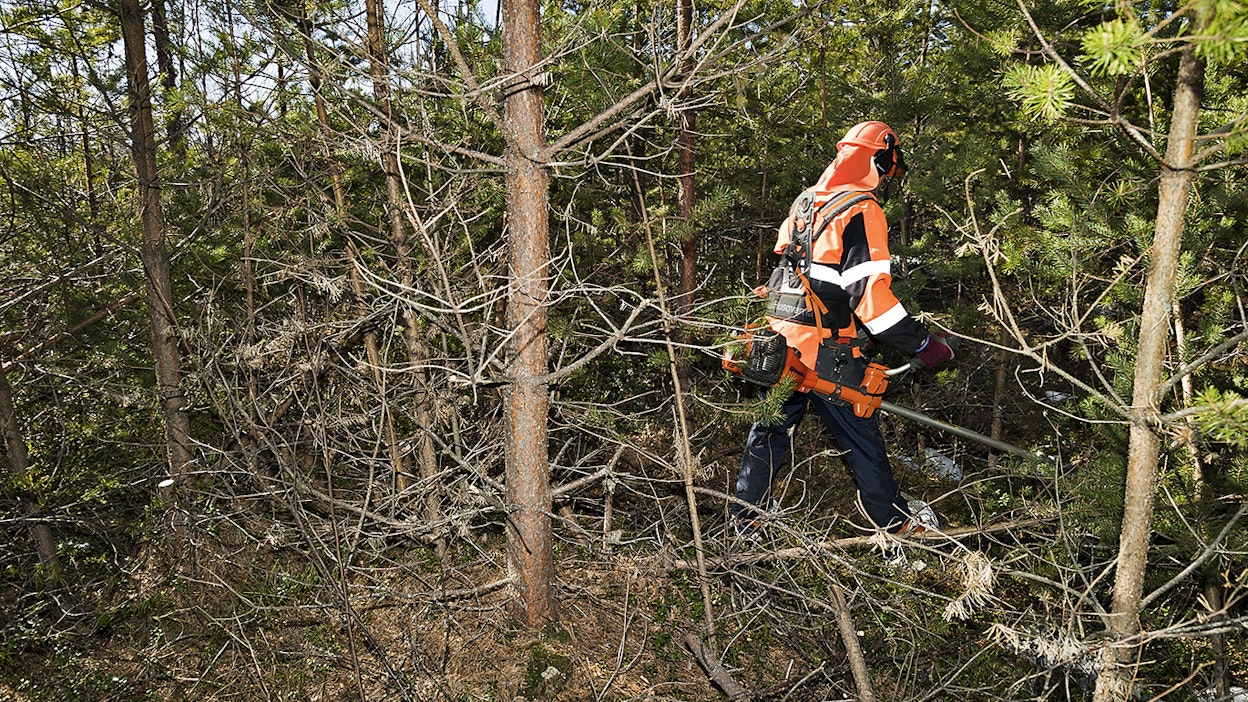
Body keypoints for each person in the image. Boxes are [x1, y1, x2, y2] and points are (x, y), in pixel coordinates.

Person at [734, 120, 953, 536]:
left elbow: (804, 271)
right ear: (877, 159)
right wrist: (922, 342)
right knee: (861, 433)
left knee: (768, 431)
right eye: (888, 169)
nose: (887, 180)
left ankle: (745, 522)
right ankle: (895, 523)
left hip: (781, 338)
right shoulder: (863, 209)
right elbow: (870, 298)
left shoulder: (807, 201)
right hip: (826, 350)